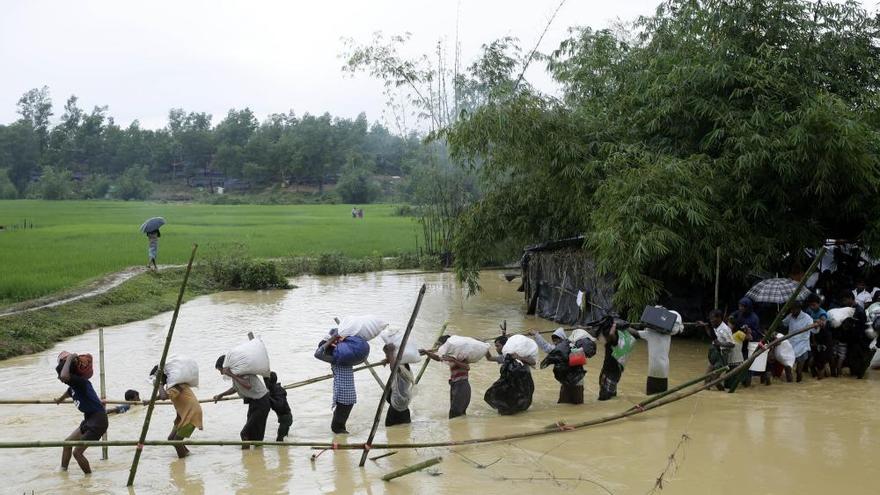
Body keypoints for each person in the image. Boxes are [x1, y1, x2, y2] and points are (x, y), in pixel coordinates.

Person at [53, 353, 108, 474]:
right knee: (67, 443)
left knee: (77, 453)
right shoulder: (74, 385)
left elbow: (64, 376)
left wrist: (71, 358)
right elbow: (69, 392)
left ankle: (88, 478)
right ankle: (63, 471)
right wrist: (59, 400)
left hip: (98, 421)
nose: (60, 378)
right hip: (89, 419)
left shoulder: (80, 382)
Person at [213, 355, 271, 448]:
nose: (221, 373)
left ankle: (250, 458)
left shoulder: (241, 372)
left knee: (245, 433)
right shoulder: (236, 374)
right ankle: (256, 455)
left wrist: (231, 374)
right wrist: (221, 395)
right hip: (254, 403)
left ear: (225, 368)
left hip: (262, 402)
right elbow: (235, 388)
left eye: (221, 370)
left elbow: (248, 385)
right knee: (254, 435)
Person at [152, 366, 203, 458]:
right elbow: (166, 396)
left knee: (177, 440)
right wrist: (149, 401)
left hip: (192, 414)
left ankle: (181, 461)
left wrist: (159, 384)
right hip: (182, 415)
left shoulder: (178, 385)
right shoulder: (172, 387)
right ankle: (187, 454)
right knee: (171, 439)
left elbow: (163, 397)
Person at [314, 331, 357, 434]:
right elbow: (362, 358)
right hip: (349, 396)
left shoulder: (336, 359)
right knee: (340, 426)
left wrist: (331, 340)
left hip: (343, 397)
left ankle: (344, 446)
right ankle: (344, 444)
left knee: (336, 428)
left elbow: (318, 354)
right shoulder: (348, 358)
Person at [421, 335, 470, 419]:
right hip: (455, 385)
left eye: (440, 345)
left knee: (455, 414)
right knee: (457, 414)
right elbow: (438, 358)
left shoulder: (459, 354)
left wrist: (454, 360)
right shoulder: (449, 354)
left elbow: (467, 367)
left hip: (462, 385)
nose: (439, 347)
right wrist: (427, 352)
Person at [635, 308, 680, 395]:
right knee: (661, 395)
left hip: (653, 370)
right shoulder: (667, 335)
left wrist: (621, 326)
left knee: (650, 395)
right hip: (664, 370)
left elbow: (635, 333)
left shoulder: (649, 334)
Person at [782, 301, 821, 382]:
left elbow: (814, 330)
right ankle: (790, 386)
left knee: (798, 371)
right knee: (788, 368)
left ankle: (799, 384)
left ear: (799, 309)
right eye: (791, 310)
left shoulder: (807, 318)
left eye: (794, 310)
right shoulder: (791, 316)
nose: (792, 311)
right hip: (791, 345)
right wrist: (780, 314)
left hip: (802, 346)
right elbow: (784, 323)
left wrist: (817, 326)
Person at [598, 319, 636, 401]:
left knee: (604, 398)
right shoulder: (624, 339)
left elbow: (611, 334)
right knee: (612, 395)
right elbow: (633, 331)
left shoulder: (614, 341)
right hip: (617, 371)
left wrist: (614, 325)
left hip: (608, 371)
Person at [837, 291, 872, 378]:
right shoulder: (847, 310)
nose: (844, 302)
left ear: (851, 299)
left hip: (858, 340)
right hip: (851, 339)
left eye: (845, 300)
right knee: (852, 362)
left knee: (857, 362)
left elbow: (860, 328)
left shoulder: (859, 311)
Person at [731, 297, 764, 386]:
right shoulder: (738, 314)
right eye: (739, 306)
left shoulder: (754, 318)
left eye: (743, 306)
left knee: (746, 364)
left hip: (748, 345)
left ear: (748, 307)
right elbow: (731, 319)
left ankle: (746, 382)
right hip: (738, 343)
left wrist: (748, 331)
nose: (740, 308)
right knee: (735, 362)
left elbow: (756, 334)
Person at [382, 342, 414, 426]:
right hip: (403, 403)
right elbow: (395, 363)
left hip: (397, 405)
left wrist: (391, 352)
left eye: (387, 355)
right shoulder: (404, 365)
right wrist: (388, 358)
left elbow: (394, 368)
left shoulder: (401, 368)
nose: (387, 356)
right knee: (404, 429)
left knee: (390, 428)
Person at [703, 310, 734, 390]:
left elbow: (732, 344)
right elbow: (712, 337)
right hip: (714, 353)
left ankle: (723, 391)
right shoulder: (715, 326)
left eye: (712, 318)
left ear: (719, 318)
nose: (711, 320)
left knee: (714, 380)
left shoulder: (725, 329)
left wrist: (720, 344)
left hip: (721, 354)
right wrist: (706, 327)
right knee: (706, 380)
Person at [804, 293, 831, 379]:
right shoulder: (811, 311)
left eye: (814, 305)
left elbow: (823, 323)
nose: (812, 307)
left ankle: (820, 379)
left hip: (823, 339)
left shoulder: (822, 313)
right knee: (813, 362)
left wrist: (818, 322)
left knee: (820, 362)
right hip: (815, 339)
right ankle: (818, 377)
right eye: (810, 305)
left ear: (819, 304)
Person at [263, 372, 293, 442]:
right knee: (283, 440)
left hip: (286, 418)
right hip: (284, 418)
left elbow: (279, 404)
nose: (265, 384)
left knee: (279, 440)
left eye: (267, 382)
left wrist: (268, 397)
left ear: (269, 382)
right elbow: (266, 379)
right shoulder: (273, 388)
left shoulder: (277, 390)